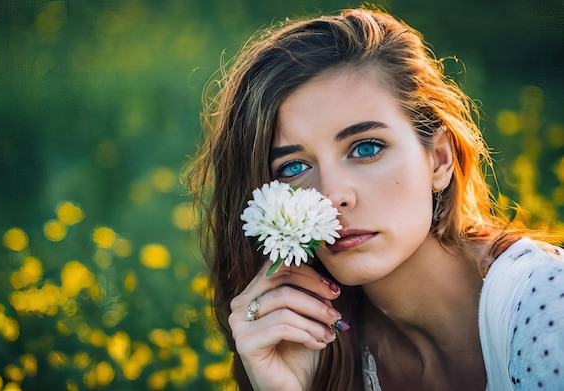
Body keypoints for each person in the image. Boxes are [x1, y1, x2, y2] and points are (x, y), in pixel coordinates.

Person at [184, 6, 564, 390]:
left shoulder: (547, 306)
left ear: (439, 159)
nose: (333, 197)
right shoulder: (322, 351)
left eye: (366, 148)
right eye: (293, 168)